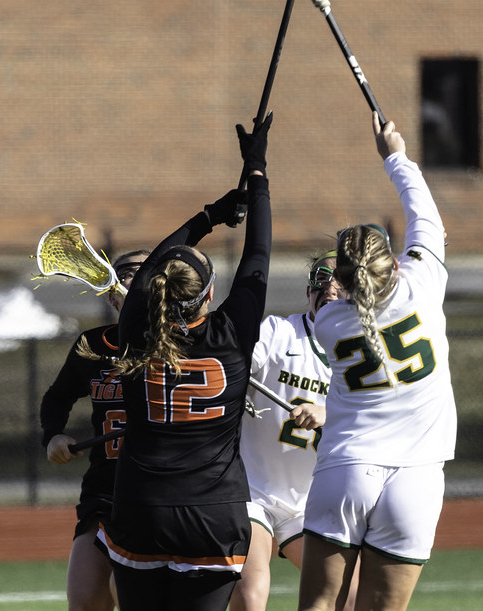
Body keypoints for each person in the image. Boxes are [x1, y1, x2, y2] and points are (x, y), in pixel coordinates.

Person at [96, 113, 272, 611]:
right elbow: (258, 254)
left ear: (151, 293)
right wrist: (256, 170)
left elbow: (153, 264)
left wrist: (210, 215)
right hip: (213, 517)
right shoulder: (233, 332)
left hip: (140, 509)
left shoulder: (136, 327)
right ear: (210, 295)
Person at [298, 112, 456, 611]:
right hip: (417, 478)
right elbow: (426, 217)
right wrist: (394, 156)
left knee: (320, 605)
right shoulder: (424, 281)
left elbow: (332, 303)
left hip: (346, 470)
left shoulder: (330, 323)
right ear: (391, 261)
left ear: (342, 276)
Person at [230, 251, 357, 611]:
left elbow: (385, 412)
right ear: (308, 291)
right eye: (321, 280)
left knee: (352, 599)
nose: (330, 288)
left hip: (313, 499)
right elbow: (231, 361)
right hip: (253, 490)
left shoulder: (364, 350)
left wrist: (328, 412)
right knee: (249, 593)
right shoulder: (277, 333)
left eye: (342, 280)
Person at [40, 248, 149, 611]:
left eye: (141, 272)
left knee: (130, 594)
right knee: (85, 600)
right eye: (123, 273)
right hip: (104, 488)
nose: (130, 279)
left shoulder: (183, 344)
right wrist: (54, 435)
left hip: (158, 491)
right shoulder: (93, 345)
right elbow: (56, 399)